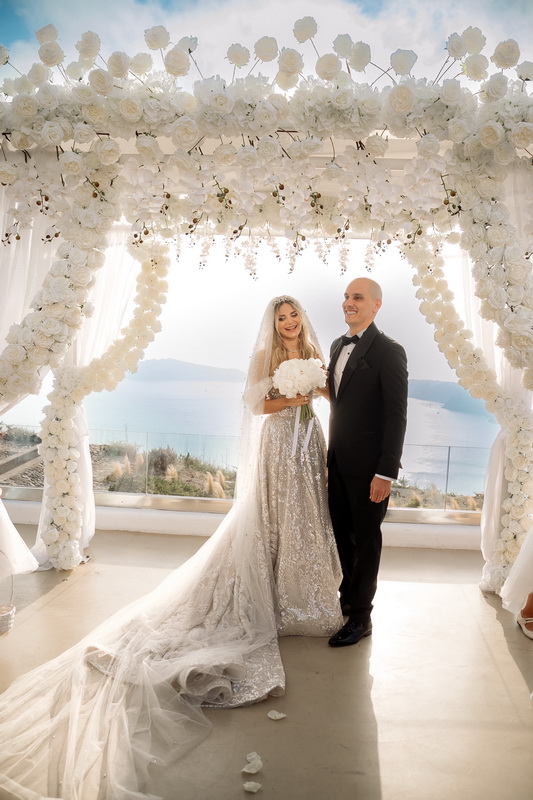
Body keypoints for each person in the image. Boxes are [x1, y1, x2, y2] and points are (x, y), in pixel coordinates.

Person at [0, 296, 341, 799]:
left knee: (303, 518)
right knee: (273, 516)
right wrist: (291, 399)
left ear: (302, 320)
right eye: (281, 318)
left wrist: (315, 389)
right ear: (273, 324)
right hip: (277, 444)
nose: (289, 324)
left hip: (308, 443)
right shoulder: (264, 356)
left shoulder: (313, 351)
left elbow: (330, 395)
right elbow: (255, 406)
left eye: (293, 317)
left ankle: (302, 594)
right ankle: (268, 591)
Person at [326, 277, 408, 648]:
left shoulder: (390, 351)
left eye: (357, 297)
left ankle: (361, 617)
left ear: (376, 304)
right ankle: (347, 600)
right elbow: (341, 401)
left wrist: (385, 472)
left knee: (367, 541)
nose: (349, 302)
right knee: (341, 536)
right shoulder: (336, 345)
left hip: (370, 469)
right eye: (346, 296)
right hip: (337, 463)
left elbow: (396, 415)